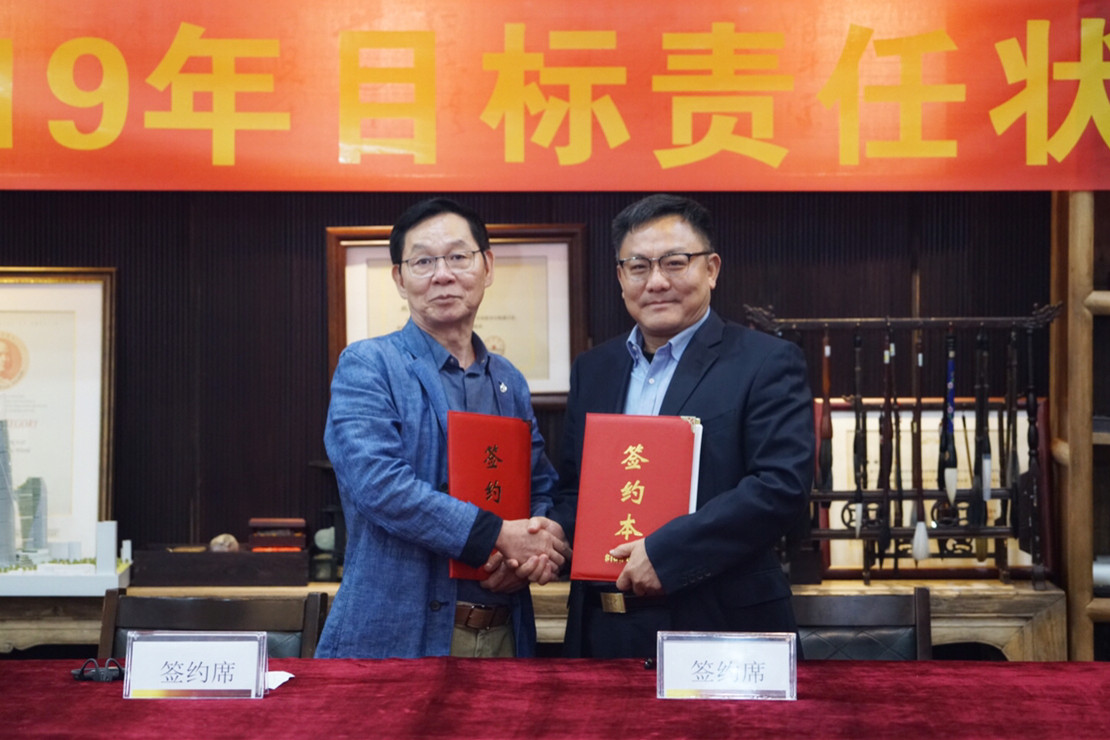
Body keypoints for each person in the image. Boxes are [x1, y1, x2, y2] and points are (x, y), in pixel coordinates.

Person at [553, 194, 814, 658]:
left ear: (711, 269)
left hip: (719, 624)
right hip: (603, 626)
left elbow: (780, 487)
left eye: (675, 263)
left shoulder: (766, 362)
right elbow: (579, 490)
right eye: (638, 266)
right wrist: (547, 537)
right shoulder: (594, 369)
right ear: (621, 277)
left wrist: (667, 553)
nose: (656, 282)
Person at [317, 197, 570, 659]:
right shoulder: (369, 365)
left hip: (504, 633)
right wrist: (499, 536)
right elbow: (380, 486)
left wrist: (531, 551)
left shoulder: (508, 380)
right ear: (399, 278)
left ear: (487, 266)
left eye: (458, 256)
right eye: (423, 261)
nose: (442, 274)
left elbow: (538, 486)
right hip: (398, 640)